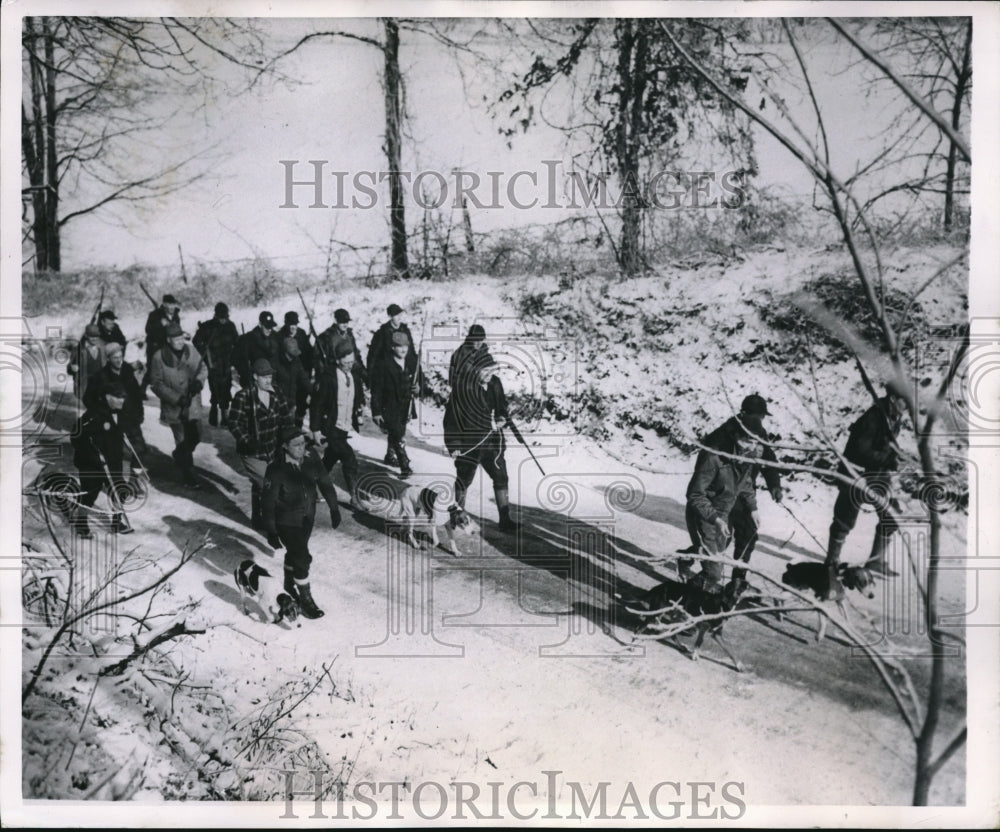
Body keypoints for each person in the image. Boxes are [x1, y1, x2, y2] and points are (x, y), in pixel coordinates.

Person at [680, 393, 783, 575]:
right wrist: (715, 510)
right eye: (756, 415)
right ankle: (700, 568)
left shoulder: (757, 433)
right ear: (743, 414)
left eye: (762, 417)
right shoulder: (719, 441)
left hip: (742, 491)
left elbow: (768, 459)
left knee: (748, 534)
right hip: (718, 494)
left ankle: (736, 581)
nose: (752, 447)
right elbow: (700, 485)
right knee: (719, 544)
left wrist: (774, 484)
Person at [825, 383, 908, 578]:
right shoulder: (874, 417)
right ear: (893, 399)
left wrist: (896, 456)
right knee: (844, 519)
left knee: (892, 515)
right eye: (905, 401)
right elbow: (860, 451)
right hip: (856, 473)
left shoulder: (894, 417)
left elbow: (884, 446)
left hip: (878, 474)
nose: (908, 406)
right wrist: (890, 460)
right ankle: (832, 561)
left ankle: (875, 561)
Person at [261, 427, 341, 620]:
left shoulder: (311, 457)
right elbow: (268, 502)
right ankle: (306, 600)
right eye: (295, 445)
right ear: (284, 446)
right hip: (286, 521)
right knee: (303, 558)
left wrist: (334, 507)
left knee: (296, 553)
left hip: (307, 517)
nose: (301, 448)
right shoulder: (276, 469)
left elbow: (324, 481)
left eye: (303, 443)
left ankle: (289, 584)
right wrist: (271, 531)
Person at [681, 414, 767, 588]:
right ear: (736, 436)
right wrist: (715, 519)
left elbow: (746, 484)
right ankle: (685, 595)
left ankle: (684, 560)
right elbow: (695, 494)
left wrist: (753, 508)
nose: (751, 447)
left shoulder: (746, 458)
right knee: (714, 572)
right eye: (747, 441)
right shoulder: (714, 457)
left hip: (723, 514)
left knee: (716, 553)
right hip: (703, 515)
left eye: (755, 442)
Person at [443, 356, 520, 532]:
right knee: (464, 479)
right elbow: (451, 419)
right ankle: (457, 516)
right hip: (469, 443)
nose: (489, 374)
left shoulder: (495, 383)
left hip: (493, 443)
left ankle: (505, 520)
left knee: (501, 477)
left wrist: (502, 419)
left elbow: (502, 407)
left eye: (492, 370)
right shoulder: (463, 389)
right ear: (475, 370)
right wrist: (454, 444)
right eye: (485, 370)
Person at [228, 358, 295, 531]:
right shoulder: (243, 396)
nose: (268, 380)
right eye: (264, 377)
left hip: (272, 449)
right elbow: (234, 422)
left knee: (265, 484)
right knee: (270, 485)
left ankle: (257, 517)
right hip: (252, 452)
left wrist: (292, 439)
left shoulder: (276, 393)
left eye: (270, 376)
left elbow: (286, 419)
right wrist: (247, 439)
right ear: (255, 377)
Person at [69, 380, 133, 538]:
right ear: (107, 397)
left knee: (119, 490)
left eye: (123, 397)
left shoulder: (120, 413)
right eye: (118, 397)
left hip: (112, 461)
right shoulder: (93, 414)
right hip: (92, 463)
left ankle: (117, 522)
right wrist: (94, 455)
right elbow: (76, 436)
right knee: (89, 494)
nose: (122, 400)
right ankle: (81, 523)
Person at [149, 321, 207, 488]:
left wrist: (199, 382)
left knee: (196, 436)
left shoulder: (191, 350)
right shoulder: (158, 357)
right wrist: (176, 398)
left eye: (181, 337)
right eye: (176, 339)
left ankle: (179, 454)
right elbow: (156, 384)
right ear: (169, 340)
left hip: (192, 404)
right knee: (182, 440)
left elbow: (203, 368)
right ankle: (188, 475)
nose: (180, 341)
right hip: (175, 407)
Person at [309, 340, 365, 511]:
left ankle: (311, 483)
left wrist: (359, 408)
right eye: (346, 362)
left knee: (330, 458)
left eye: (352, 362)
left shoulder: (354, 376)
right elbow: (316, 405)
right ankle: (354, 497)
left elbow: (357, 396)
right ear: (338, 360)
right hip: (331, 426)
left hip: (344, 426)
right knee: (349, 459)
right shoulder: (328, 378)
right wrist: (315, 429)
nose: (349, 365)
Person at [366, 303, 419, 465]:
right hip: (386, 378)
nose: (399, 318)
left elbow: (412, 355)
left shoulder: (405, 330)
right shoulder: (382, 333)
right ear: (390, 316)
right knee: (393, 422)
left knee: (401, 421)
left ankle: (391, 453)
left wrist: (418, 378)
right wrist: (371, 378)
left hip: (402, 377)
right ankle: (400, 459)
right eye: (396, 315)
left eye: (401, 315)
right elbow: (373, 356)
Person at [84, 341, 147, 464]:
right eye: (115, 358)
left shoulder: (127, 371)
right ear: (108, 359)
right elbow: (88, 399)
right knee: (113, 452)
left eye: (120, 357)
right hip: (110, 418)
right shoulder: (100, 376)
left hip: (129, 416)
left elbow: (136, 395)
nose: (119, 361)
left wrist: (139, 413)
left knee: (139, 450)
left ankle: (136, 473)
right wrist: (103, 408)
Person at [192, 302, 240, 428]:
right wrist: (204, 352)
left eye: (225, 317)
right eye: (221, 317)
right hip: (212, 363)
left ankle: (224, 416)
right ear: (216, 315)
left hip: (226, 362)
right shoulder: (208, 326)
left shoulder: (230, 326)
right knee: (214, 388)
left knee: (226, 388)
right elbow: (196, 341)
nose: (223, 320)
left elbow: (237, 342)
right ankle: (213, 410)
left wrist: (235, 357)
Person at [143, 293, 181, 396]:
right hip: (155, 346)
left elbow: (177, 329)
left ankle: (169, 391)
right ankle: (141, 390)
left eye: (173, 304)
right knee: (152, 369)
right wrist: (159, 324)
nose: (172, 307)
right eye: (169, 304)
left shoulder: (176, 316)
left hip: (169, 346)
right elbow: (148, 330)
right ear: (164, 304)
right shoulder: (154, 315)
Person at [232, 310, 281, 389]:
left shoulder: (276, 337)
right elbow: (235, 359)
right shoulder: (248, 339)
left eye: (271, 327)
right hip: (255, 381)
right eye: (267, 327)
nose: (269, 329)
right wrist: (246, 374)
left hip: (273, 379)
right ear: (260, 324)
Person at [319, 308, 367, 384]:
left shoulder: (349, 335)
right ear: (335, 321)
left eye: (347, 322)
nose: (345, 325)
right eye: (342, 322)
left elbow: (356, 355)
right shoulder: (326, 337)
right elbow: (319, 361)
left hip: (352, 373)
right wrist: (322, 379)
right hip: (335, 376)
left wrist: (364, 374)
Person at [274, 336, 311, 427]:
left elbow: (303, 378)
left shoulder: (296, 360)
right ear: (285, 352)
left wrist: (313, 391)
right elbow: (272, 384)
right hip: (278, 402)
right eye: (291, 354)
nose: (294, 356)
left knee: (290, 427)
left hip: (291, 402)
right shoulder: (275, 363)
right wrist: (282, 399)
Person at [68, 323, 106, 402]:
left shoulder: (102, 350)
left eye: (96, 336)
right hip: (84, 387)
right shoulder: (78, 350)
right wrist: (72, 368)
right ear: (86, 336)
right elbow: (69, 368)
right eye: (91, 336)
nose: (94, 339)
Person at [278, 311, 314, 378]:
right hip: (287, 371)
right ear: (286, 323)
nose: (293, 327)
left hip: (303, 368)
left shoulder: (302, 333)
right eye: (291, 324)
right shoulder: (280, 336)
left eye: (295, 324)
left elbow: (308, 352)